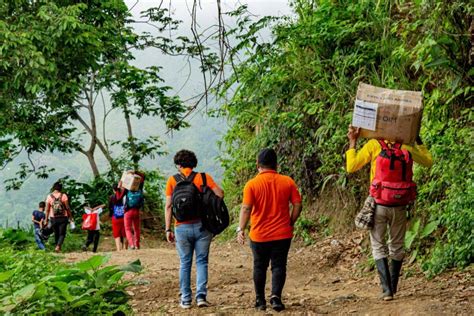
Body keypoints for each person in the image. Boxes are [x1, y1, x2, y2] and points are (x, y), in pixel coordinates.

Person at [346, 125, 433, 300]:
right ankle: (393, 286)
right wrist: (418, 140)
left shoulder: (374, 145)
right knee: (397, 245)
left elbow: (351, 166)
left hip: (378, 205)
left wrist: (353, 141)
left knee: (378, 244)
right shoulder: (406, 147)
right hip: (399, 205)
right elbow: (428, 162)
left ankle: (386, 290)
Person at [237, 148, 302, 312]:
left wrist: (241, 229)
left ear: (258, 164)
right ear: (276, 164)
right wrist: (291, 221)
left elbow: (246, 209)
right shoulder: (287, 181)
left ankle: (260, 300)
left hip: (259, 235)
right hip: (282, 233)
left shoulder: (252, 184)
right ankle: (276, 298)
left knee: (259, 266)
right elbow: (298, 205)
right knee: (279, 266)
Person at [164, 149, 224, 309]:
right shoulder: (203, 177)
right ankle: (201, 297)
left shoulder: (172, 180)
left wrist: (167, 229)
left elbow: (169, 206)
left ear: (178, 165)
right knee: (202, 261)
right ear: (193, 163)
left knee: (185, 262)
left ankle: (185, 299)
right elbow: (220, 193)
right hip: (202, 226)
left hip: (181, 227)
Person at [44, 181, 73, 253]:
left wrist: (46, 219)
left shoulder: (49, 196)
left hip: (53, 218)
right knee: (62, 233)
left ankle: (57, 247)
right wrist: (70, 217)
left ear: (53, 188)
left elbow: (47, 209)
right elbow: (67, 208)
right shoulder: (63, 195)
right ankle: (58, 246)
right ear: (60, 188)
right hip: (63, 217)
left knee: (56, 233)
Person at [124, 177, 144, 250]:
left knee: (128, 229)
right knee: (136, 229)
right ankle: (137, 245)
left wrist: (129, 174)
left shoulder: (127, 190)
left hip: (128, 211)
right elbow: (142, 177)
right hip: (137, 211)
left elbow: (124, 182)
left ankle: (131, 244)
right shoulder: (140, 189)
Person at [109, 183, 128, 251]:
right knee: (125, 233)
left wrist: (111, 215)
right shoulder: (124, 196)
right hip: (124, 216)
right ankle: (125, 248)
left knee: (117, 234)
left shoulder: (111, 197)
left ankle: (118, 249)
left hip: (115, 217)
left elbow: (110, 208)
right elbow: (126, 190)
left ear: (113, 190)